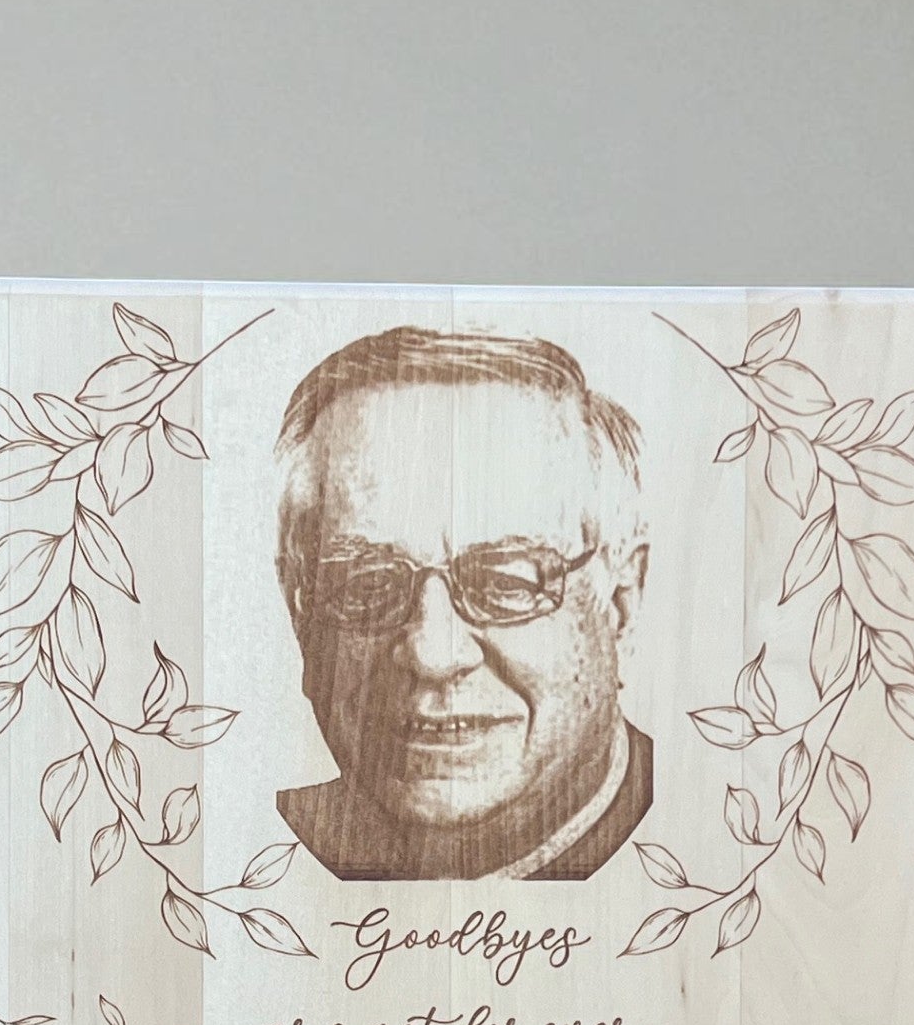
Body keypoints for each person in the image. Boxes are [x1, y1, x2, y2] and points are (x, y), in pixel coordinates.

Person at [273, 326, 653, 881]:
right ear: (300, 615)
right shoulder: (254, 850)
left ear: (620, 606)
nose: (433, 655)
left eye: (503, 582)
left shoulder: (708, 827)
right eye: (366, 585)